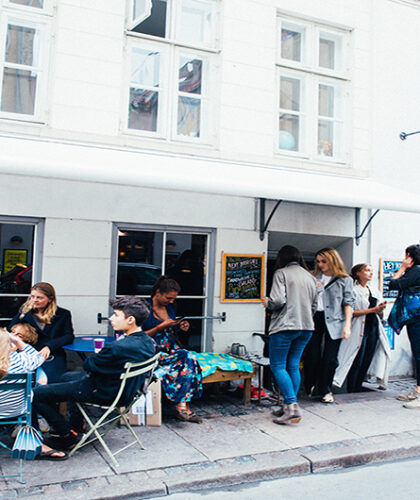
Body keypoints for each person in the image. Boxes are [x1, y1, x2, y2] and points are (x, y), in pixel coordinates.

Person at [32, 296, 156, 453]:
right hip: (126, 392)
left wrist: (98, 354)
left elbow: (88, 365)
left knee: (35, 394)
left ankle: (66, 434)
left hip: (103, 391)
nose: (111, 318)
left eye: (116, 315)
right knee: (66, 377)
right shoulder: (148, 342)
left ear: (130, 319)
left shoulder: (117, 348)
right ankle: (77, 426)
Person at [262, 246, 318, 424]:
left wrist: (267, 303)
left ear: (281, 257)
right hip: (306, 327)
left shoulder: (281, 273)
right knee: (293, 365)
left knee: (278, 366)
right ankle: (289, 405)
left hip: (285, 326)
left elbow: (278, 301)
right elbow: (315, 305)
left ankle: (291, 406)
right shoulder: (310, 276)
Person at [142, 276, 203, 423]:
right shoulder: (144, 309)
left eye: (173, 299)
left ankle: (182, 406)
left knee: (188, 358)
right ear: (158, 292)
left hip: (172, 350)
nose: (171, 301)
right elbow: (137, 335)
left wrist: (182, 327)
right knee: (188, 358)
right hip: (154, 351)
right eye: (168, 298)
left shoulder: (170, 308)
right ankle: (182, 407)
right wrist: (159, 327)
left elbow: (173, 330)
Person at [0, 329, 67, 460]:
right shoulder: (21, 361)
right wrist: (17, 341)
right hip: (16, 411)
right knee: (30, 396)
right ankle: (36, 443)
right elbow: (38, 357)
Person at [303, 248, 355, 403]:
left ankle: (326, 389)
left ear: (332, 260)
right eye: (318, 261)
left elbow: (348, 303)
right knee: (312, 354)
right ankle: (310, 385)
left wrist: (347, 325)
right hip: (315, 317)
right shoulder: (312, 276)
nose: (321, 264)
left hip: (335, 320)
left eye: (324, 261)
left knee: (330, 358)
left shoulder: (345, 279)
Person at [334, 264, 390, 392]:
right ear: (358, 273)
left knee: (367, 359)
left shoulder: (374, 290)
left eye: (372, 270)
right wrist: (373, 310)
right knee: (356, 359)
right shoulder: (353, 289)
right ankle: (351, 388)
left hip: (373, 327)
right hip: (359, 327)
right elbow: (350, 312)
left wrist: (380, 310)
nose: (371, 273)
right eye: (367, 270)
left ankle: (358, 386)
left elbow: (379, 312)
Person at [9, 283, 74, 383]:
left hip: (52, 354)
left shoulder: (63, 314)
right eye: (32, 297)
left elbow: (69, 336)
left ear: (50, 298)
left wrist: (49, 346)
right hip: (28, 353)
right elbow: (10, 330)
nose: (35, 300)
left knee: (53, 383)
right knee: (24, 381)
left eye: (39, 297)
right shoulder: (25, 312)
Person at [388, 244, 420, 409]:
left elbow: (393, 284)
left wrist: (402, 267)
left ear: (410, 256)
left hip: (416, 317)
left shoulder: (416, 270)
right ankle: (418, 390)